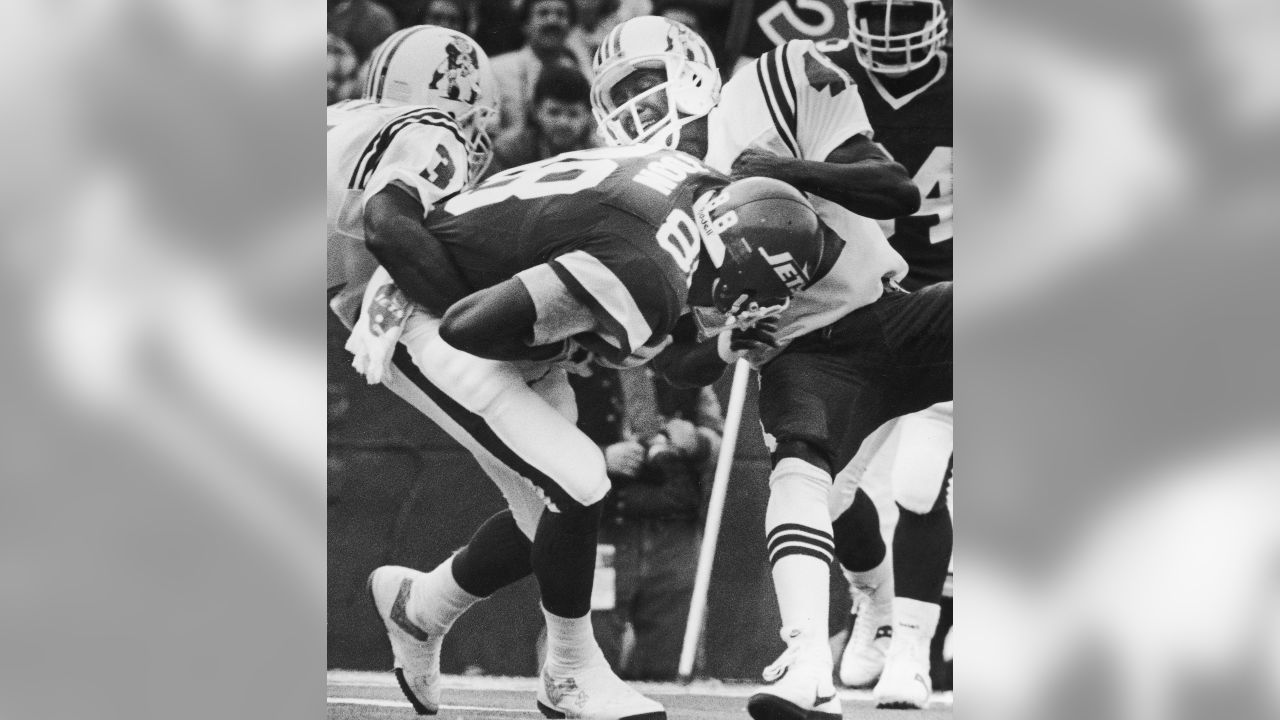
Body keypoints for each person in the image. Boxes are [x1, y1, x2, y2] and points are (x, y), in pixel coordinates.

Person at [352, 131, 827, 719]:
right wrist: (571, 337)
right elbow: (468, 325)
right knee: (580, 482)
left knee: (548, 523)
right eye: (757, 293)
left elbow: (673, 357)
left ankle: (420, 606)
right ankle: (571, 672)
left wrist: (722, 347)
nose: (749, 305)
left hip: (486, 297)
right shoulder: (649, 269)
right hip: (425, 307)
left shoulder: (696, 193)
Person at [589, 15, 950, 720]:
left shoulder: (774, 83)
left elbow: (893, 188)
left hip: (889, 309)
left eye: (645, 83)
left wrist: (788, 171)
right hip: (805, 354)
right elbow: (682, 365)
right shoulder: (631, 199)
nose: (636, 105)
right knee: (806, 477)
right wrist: (729, 343)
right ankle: (809, 661)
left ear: (692, 70)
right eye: (621, 91)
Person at [827, 0, 953, 708]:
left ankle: (912, 648)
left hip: (954, 297)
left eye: (906, 11)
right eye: (877, 12)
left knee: (918, 476)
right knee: (824, 479)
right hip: (858, 297)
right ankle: (871, 608)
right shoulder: (827, 80)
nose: (892, 28)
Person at [570, 365, 723, 680]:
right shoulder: (576, 357)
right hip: (601, 526)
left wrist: (697, 441)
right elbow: (542, 437)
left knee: (674, 649)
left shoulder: (686, 358)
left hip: (674, 528)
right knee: (582, 650)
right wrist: (600, 456)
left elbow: (723, 439)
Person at [490, 0, 583, 134]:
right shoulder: (497, 70)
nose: (552, 21)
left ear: (571, 26)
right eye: (543, 13)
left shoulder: (579, 71)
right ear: (525, 25)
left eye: (561, 14)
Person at [488, 64, 597, 174]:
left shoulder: (599, 154)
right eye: (554, 112)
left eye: (573, 114)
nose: (563, 122)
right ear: (536, 111)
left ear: (589, 116)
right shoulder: (509, 152)